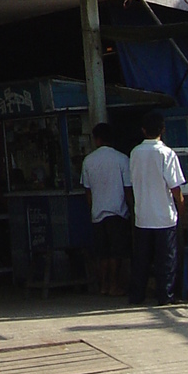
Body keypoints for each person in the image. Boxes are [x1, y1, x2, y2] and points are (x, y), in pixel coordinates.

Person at [128, 109, 186, 306]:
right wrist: (181, 205)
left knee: (141, 259)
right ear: (163, 129)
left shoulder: (135, 153)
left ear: (143, 130)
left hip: (142, 215)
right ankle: (165, 296)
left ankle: (137, 295)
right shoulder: (166, 153)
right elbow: (175, 186)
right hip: (164, 216)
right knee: (166, 260)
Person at [80, 121, 131, 297]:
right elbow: (128, 189)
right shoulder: (122, 159)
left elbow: (87, 191)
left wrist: (92, 209)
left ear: (97, 140)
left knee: (102, 253)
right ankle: (114, 285)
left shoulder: (88, 161)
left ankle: (103, 286)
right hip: (117, 212)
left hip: (97, 213)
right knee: (117, 253)